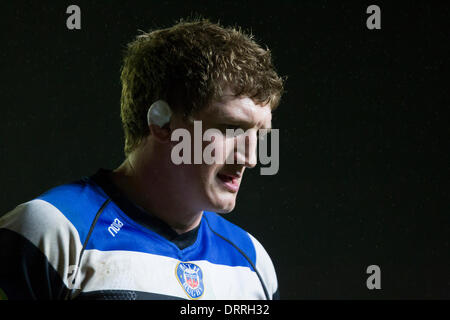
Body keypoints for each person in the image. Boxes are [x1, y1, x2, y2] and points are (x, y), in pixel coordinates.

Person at [0, 18, 284, 300]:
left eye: (258, 135)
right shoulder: (50, 234)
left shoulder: (253, 265)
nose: (250, 158)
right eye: (231, 129)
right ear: (161, 123)